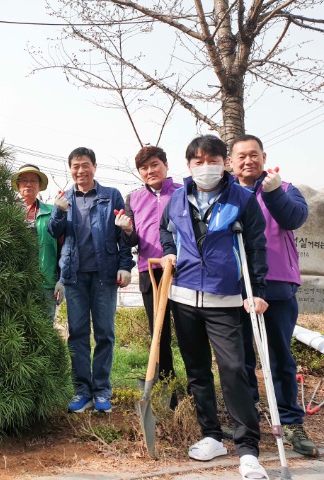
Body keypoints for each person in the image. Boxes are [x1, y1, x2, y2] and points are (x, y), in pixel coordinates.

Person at [159, 134, 269, 479]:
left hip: (226, 299)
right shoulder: (177, 198)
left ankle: (247, 448)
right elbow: (166, 230)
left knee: (234, 369)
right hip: (184, 297)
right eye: (198, 161)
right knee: (197, 372)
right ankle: (212, 435)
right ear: (189, 165)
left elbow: (256, 248)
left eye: (213, 160)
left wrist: (259, 290)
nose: (206, 167)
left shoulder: (243, 199)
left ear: (225, 163)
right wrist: (168, 250)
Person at [230, 134, 318, 458]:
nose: (248, 161)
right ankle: (247, 419)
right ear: (231, 162)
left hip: (277, 284)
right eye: (241, 156)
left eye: (254, 155)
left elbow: (294, 218)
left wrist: (273, 192)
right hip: (235, 284)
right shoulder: (226, 194)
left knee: (280, 356)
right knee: (240, 359)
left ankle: (292, 423)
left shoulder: (283, 188)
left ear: (263, 157)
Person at [48, 147, 134, 413]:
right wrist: (58, 211)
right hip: (73, 276)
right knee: (77, 334)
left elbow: (124, 235)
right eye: (75, 166)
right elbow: (54, 232)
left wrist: (125, 266)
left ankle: (102, 390)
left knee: (105, 333)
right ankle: (81, 390)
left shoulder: (111, 196)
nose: (80, 170)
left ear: (94, 167)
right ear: (70, 169)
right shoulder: (64, 198)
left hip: (104, 275)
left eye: (85, 165)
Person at [115, 145, 181, 408]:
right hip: (149, 270)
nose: (150, 171)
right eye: (144, 168)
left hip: (181, 269)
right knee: (159, 333)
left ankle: (198, 392)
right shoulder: (133, 198)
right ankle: (169, 392)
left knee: (188, 333)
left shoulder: (181, 193)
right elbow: (132, 238)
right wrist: (126, 229)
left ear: (165, 165)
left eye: (155, 164)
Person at [11, 164, 62, 317]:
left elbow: (64, 247)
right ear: (18, 185)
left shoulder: (53, 211)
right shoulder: (7, 212)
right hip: (14, 283)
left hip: (45, 282)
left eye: (33, 180)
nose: (28, 184)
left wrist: (62, 279)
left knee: (43, 331)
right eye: (24, 180)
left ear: (39, 186)